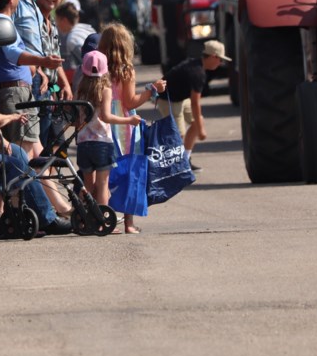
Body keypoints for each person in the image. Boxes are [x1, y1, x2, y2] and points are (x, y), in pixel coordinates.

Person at [0, 0, 63, 158]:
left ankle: (56, 188)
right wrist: (42, 61)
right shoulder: (2, 24)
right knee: (23, 155)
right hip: (15, 94)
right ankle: (21, 188)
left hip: (14, 92)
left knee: (37, 154)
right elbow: (12, 54)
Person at [98, 22, 166, 234]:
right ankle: (128, 223)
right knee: (131, 172)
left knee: (104, 174)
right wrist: (152, 90)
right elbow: (130, 102)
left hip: (103, 122)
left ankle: (103, 217)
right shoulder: (126, 70)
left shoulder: (100, 69)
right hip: (125, 126)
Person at [75, 50, 142, 227]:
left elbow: (76, 117)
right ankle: (101, 222)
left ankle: (84, 219)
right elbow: (105, 116)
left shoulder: (80, 90)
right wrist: (129, 120)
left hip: (83, 143)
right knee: (103, 185)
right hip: (102, 143)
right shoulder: (105, 90)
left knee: (88, 184)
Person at [0, 109, 72, 236]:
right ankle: (46, 219)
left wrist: (1, 139)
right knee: (17, 165)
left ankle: (15, 216)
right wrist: (13, 117)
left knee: (20, 154)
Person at [156, 40, 230, 171]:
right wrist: (201, 131)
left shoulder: (197, 65)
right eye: (220, 59)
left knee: (198, 121)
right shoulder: (197, 73)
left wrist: (199, 125)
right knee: (178, 135)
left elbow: (193, 104)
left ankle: (185, 159)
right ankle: (172, 167)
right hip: (168, 100)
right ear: (213, 56)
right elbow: (196, 103)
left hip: (181, 98)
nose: (221, 63)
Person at [34, 0, 75, 146]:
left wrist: (64, 85)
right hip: (37, 92)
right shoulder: (32, 20)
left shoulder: (53, 25)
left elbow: (56, 60)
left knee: (56, 147)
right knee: (42, 150)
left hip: (51, 91)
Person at [55, 1, 96, 88]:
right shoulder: (85, 28)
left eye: (57, 20)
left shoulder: (72, 39)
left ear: (64, 20)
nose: (57, 25)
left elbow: (88, 63)